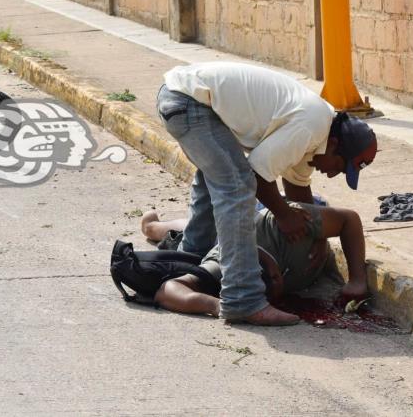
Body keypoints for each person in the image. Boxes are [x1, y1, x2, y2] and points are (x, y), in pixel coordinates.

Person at [157, 62, 377, 325]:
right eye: (339, 167)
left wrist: (316, 235)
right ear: (334, 145)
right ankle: (243, 300)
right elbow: (258, 175)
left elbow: (297, 189)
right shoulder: (311, 126)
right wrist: (283, 215)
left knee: (215, 181)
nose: (331, 175)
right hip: (189, 102)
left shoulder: (316, 131)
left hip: (185, 98)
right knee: (237, 188)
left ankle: (189, 258)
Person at [140, 204, 368, 320]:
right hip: (232, 230)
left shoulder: (282, 228)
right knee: (195, 234)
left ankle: (150, 226)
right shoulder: (227, 265)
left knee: (192, 231)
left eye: (264, 295)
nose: (267, 301)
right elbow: (168, 290)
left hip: (251, 212)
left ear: (276, 274)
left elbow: (349, 219)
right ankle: (152, 226)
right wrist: (217, 305)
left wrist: (357, 280)